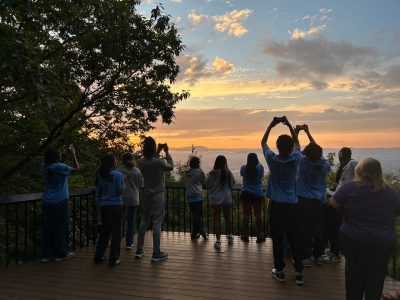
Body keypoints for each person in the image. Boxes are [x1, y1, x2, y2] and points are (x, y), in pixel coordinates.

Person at [330, 157, 400, 300]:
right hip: (382, 244)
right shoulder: (390, 193)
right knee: (376, 280)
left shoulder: (350, 187)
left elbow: (334, 203)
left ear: (360, 171)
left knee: (353, 279)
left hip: (355, 242)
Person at [261, 116, 304, 286]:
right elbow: (297, 142)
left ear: (277, 147)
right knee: (295, 238)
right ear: (291, 147)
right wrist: (289, 124)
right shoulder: (296, 159)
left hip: (277, 206)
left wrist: (271, 125)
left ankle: (279, 271)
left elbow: (263, 142)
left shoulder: (272, 160)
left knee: (277, 238)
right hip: (293, 205)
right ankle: (299, 272)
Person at [296, 125, 331, 267]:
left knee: (304, 228)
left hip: (303, 199)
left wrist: (296, 132)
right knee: (318, 229)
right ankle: (318, 255)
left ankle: (305, 257)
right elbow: (316, 150)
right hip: (318, 200)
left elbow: (296, 148)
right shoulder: (323, 165)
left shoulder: (303, 163)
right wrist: (308, 132)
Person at [135, 137, 173, 262]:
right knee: (157, 222)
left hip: (146, 194)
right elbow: (170, 167)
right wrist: (166, 152)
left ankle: (139, 249)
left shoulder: (141, 162)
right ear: (153, 147)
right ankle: (156, 252)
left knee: (144, 221)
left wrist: (157, 151)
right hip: (158, 195)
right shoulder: (158, 162)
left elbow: (152, 159)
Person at [41, 145, 79, 263]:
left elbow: (58, 167)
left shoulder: (44, 167)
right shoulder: (60, 167)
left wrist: (65, 156)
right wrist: (73, 154)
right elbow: (76, 168)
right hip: (60, 200)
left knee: (49, 227)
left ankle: (47, 255)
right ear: (57, 156)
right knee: (61, 227)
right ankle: (61, 254)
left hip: (47, 200)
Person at [323, 147, 358, 263]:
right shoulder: (348, 165)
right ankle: (334, 251)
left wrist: (330, 192)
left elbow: (344, 186)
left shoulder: (352, 164)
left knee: (334, 228)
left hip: (341, 203)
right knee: (332, 228)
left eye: (340, 157)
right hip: (340, 200)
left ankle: (335, 254)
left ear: (341, 156)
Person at [93, 154, 125, 267]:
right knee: (116, 233)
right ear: (113, 163)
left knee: (104, 233)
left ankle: (98, 256)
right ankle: (113, 259)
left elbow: (100, 190)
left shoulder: (101, 175)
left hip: (104, 206)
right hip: (116, 206)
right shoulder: (118, 175)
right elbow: (119, 192)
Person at [205, 155, 235, 250]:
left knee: (217, 219)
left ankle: (218, 241)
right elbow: (232, 184)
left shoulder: (213, 173)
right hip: (226, 197)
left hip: (216, 198)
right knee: (227, 217)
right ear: (225, 163)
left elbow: (206, 184)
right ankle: (229, 236)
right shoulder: (228, 172)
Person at [118, 152, 144, 250]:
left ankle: (117, 240)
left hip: (121, 198)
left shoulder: (118, 171)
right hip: (133, 198)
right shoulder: (137, 171)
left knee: (119, 220)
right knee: (131, 221)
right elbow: (142, 185)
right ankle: (129, 243)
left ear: (123, 160)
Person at [240, 153, 265, 243]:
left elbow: (242, 175)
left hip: (246, 193)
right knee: (258, 214)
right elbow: (261, 177)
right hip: (258, 193)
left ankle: (245, 234)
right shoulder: (260, 168)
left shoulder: (243, 168)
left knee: (246, 214)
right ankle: (260, 235)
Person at [185, 156, 208, 240]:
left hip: (189, 197)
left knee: (195, 215)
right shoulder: (200, 172)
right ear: (198, 163)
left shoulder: (187, 172)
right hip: (198, 196)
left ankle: (194, 233)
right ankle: (201, 231)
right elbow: (205, 183)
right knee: (197, 216)